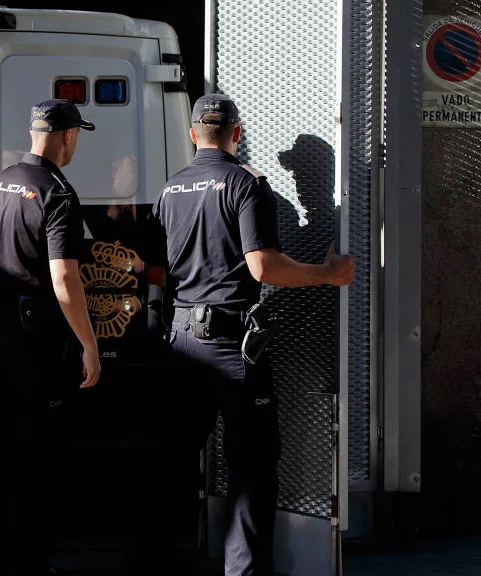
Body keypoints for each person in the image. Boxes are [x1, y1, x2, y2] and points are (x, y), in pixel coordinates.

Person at [143, 93, 355, 576]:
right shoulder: (244, 185)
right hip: (232, 347)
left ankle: (151, 558)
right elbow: (264, 267)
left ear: (193, 134)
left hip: (182, 341)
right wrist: (328, 275)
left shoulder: (171, 188)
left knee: (173, 457)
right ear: (235, 134)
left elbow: (158, 271)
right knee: (252, 466)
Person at [0, 98, 101, 576]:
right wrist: (89, 344)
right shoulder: (56, 191)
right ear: (69, 136)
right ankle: (26, 560)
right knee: (36, 451)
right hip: (35, 337)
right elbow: (64, 279)